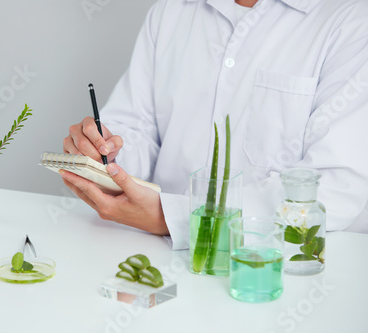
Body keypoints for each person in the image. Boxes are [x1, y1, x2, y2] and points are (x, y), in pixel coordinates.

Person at [61, 0, 368, 250]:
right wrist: (106, 155)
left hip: (275, 272)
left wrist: (174, 218)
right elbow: (137, 129)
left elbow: (337, 187)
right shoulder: (172, 11)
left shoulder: (352, 20)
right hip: (159, 257)